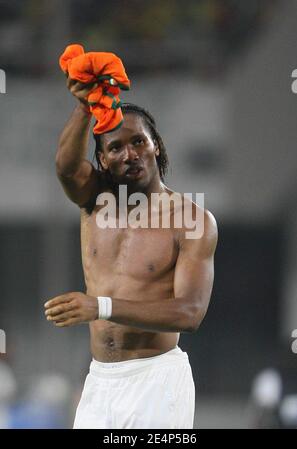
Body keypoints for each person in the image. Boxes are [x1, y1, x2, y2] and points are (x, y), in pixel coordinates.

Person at [44, 76, 218, 429]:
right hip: (99, 381)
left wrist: (99, 306)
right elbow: (65, 167)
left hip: (157, 379)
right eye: (116, 147)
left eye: (139, 141)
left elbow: (190, 312)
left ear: (157, 145)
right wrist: (84, 107)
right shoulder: (94, 201)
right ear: (103, 160)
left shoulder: (192, 218)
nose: (130, 154)